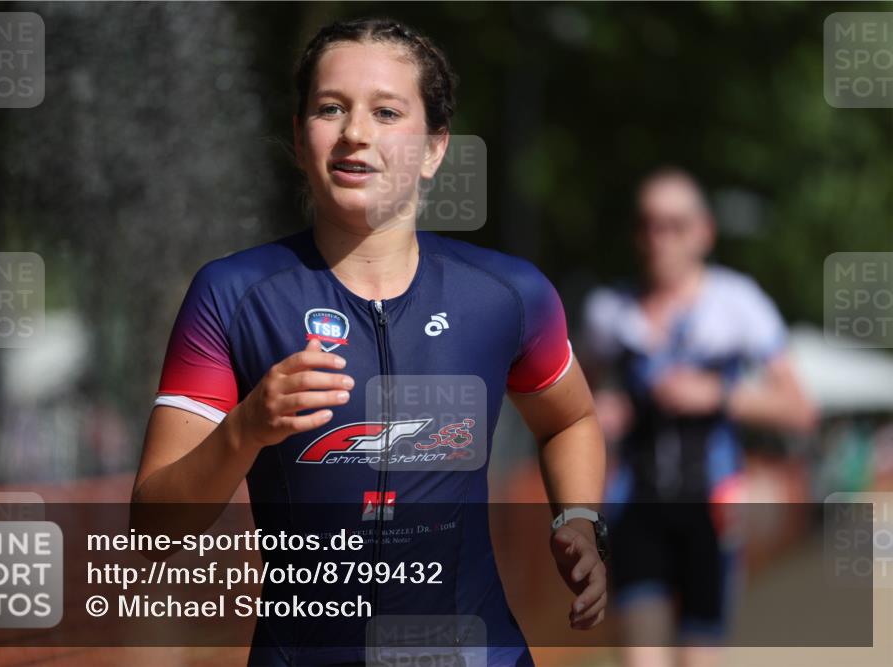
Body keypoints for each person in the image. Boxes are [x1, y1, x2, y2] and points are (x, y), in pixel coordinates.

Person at [131, 17, 607, 667]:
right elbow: (153, 527)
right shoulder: (232, 295)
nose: (356, 133)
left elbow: (571, 418)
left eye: (387, 111)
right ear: (300, 139)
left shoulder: (507, 293)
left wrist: (576, 516)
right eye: (331, 108)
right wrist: (245, 429)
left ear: (436, 147)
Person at [581, 168, 819, 667]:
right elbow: (575, 401)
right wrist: (599, 412)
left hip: (711, 511)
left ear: (703, 231)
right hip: (636, 506)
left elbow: (800, 409)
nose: (659, 239)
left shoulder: (737, 304)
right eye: (649, 224)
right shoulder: (610, 311)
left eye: (675, 225)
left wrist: (718, 394)